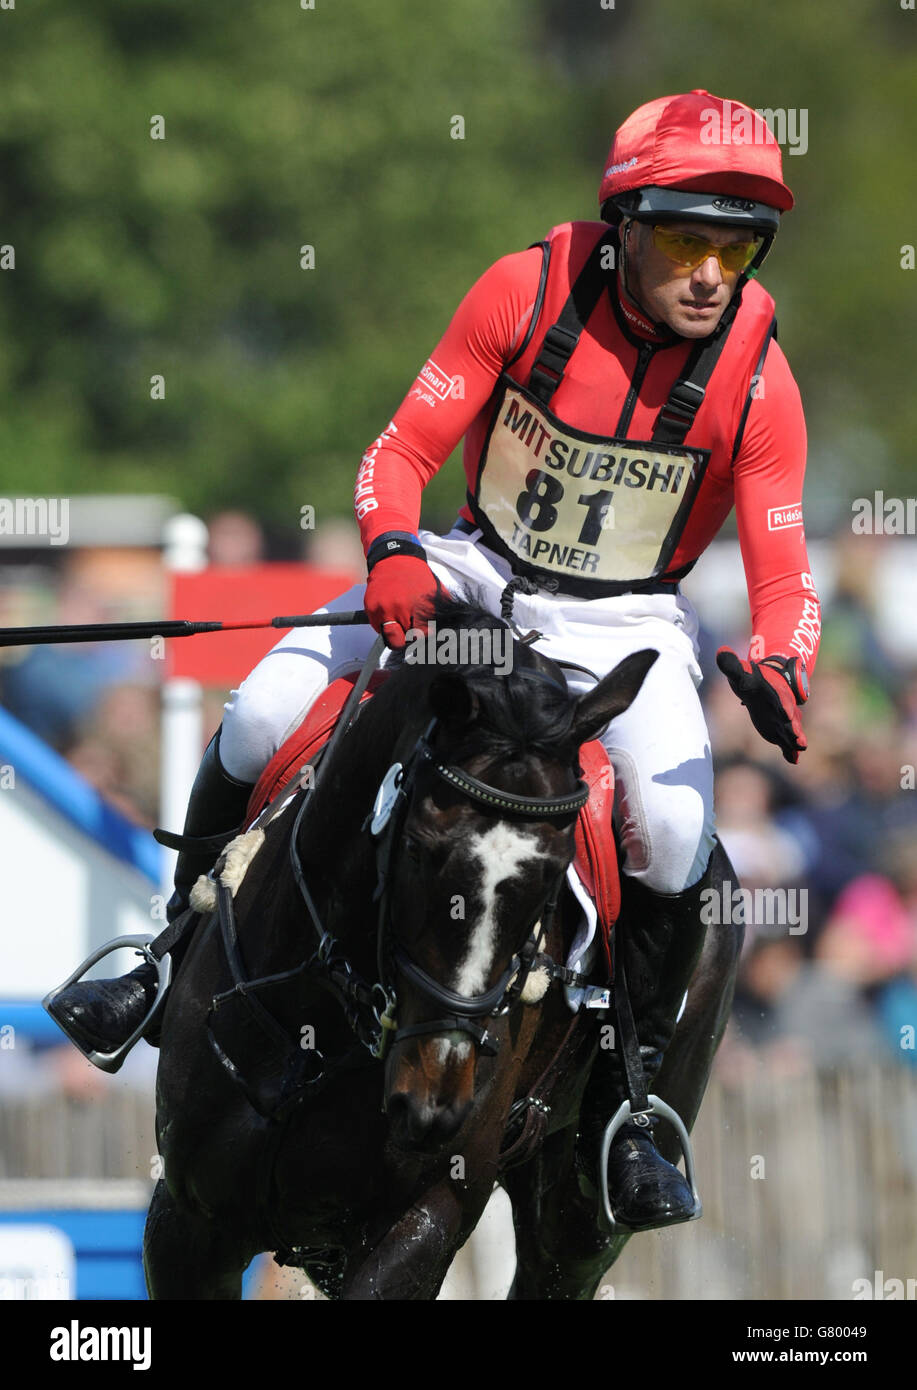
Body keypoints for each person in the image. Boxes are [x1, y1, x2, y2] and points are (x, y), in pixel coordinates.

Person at [48, 90, 821, 1231]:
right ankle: (166, 962)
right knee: (262, 713)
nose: (710, 272)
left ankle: (632, 1109)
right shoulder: (524, 289)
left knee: (668, 846)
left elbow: (784, 573)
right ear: (623, 227)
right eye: (683, 239)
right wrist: (396, 548)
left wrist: (779, 659)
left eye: (732, 247)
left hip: (623, 624)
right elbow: (399, 450)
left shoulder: (759, 377)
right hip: (472, 573)